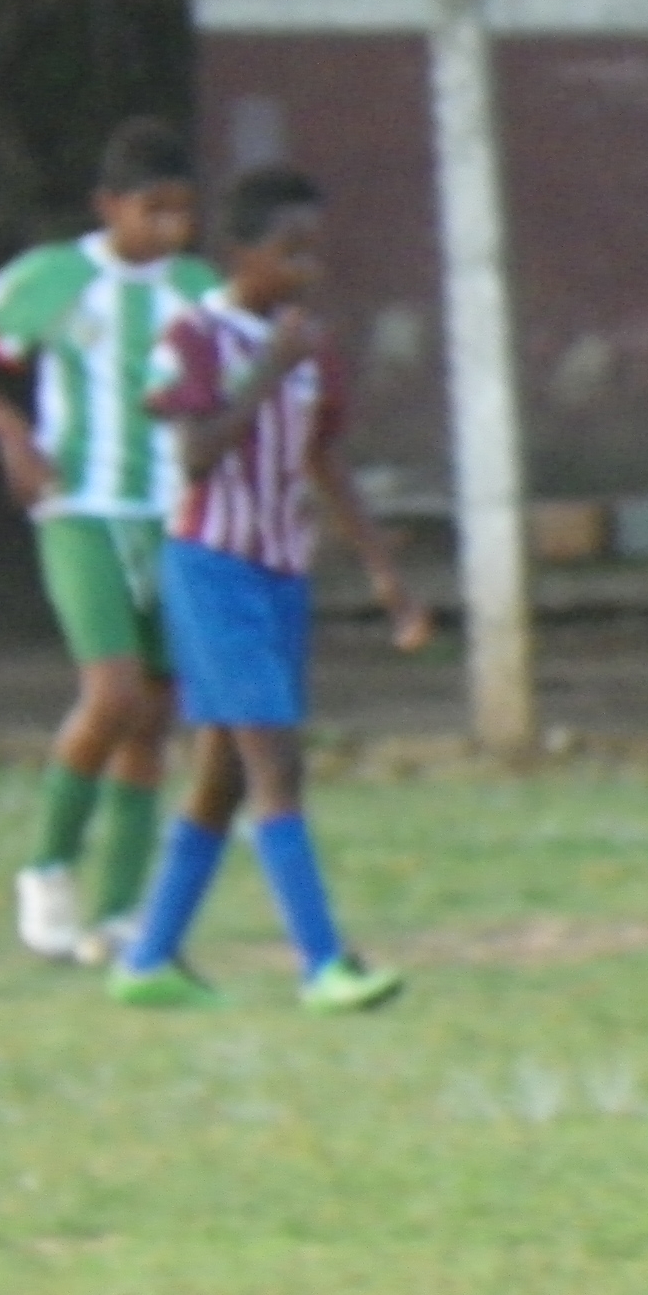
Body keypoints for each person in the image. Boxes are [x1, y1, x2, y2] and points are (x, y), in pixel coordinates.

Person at [107, 165, 428, 1014]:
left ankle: (148, 960)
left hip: (282, 574)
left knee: (222, 777)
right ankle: (323, 964)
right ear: (240, 253)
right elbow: (196, 456)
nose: (307, 269)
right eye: (291, 251)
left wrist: (385, 571)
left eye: (314, 252)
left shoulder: (308, 344)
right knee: (276, 762)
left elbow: (324, 459)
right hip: (213, 570)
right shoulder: (194, 338)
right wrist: (266, 371)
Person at [0, 118, 219, 964]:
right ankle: (49, 867)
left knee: (154, 711)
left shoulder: (199, 290)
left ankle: (120, 911)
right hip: (81, 509)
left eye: (183, 212)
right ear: (108, 206)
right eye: (153, 210)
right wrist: (11, 431)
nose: (169, 228)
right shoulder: (56, 277)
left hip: (174, 516)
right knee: (113, 693)